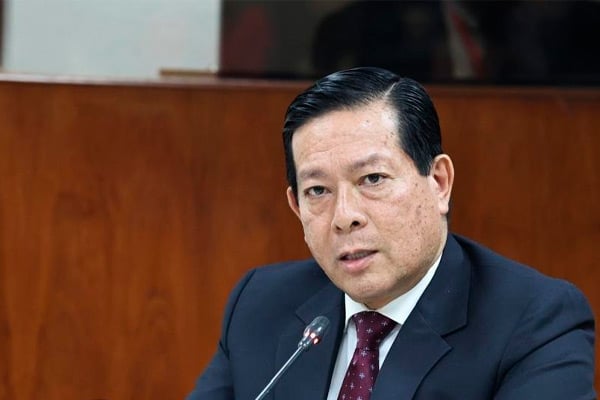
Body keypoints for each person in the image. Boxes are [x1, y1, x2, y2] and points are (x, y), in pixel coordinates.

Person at [186, 67, 595, 399]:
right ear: (296, 207)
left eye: (373, 179)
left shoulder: (534, 324)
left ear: (439, 182)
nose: (345, 217)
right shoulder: (260, 304)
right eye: (318, 191)